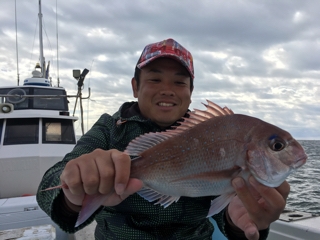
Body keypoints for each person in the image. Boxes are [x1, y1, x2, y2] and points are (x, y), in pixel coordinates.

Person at [37, 38, 290, 240]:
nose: (167, 89)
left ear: (191, 92)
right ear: (135, 87)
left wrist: (238, 223)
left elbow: (225, 210)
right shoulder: (110, 129)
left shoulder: (212, 134)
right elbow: (51, 182)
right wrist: (73, 194)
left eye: (179, 82)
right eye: (155, 79)